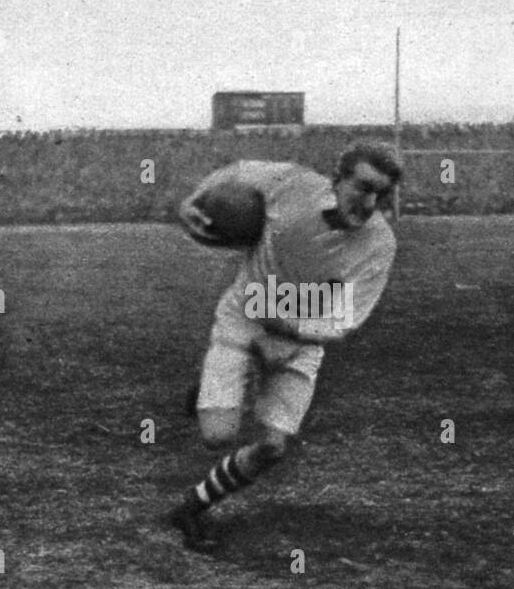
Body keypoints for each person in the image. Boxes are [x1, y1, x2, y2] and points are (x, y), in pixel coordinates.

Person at [169, 140, 403, 552]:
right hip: (244, 320)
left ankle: (191, 508)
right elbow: (238, 169)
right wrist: (194, 199)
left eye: (380, 194)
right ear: (337, 179)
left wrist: (287, 324)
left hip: (302, 341)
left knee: (272, 448)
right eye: (362, 186)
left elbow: (345, 321)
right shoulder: (293, 185)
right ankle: (215, 385)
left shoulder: (379, 245)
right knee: (217, 436)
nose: (369, 202)